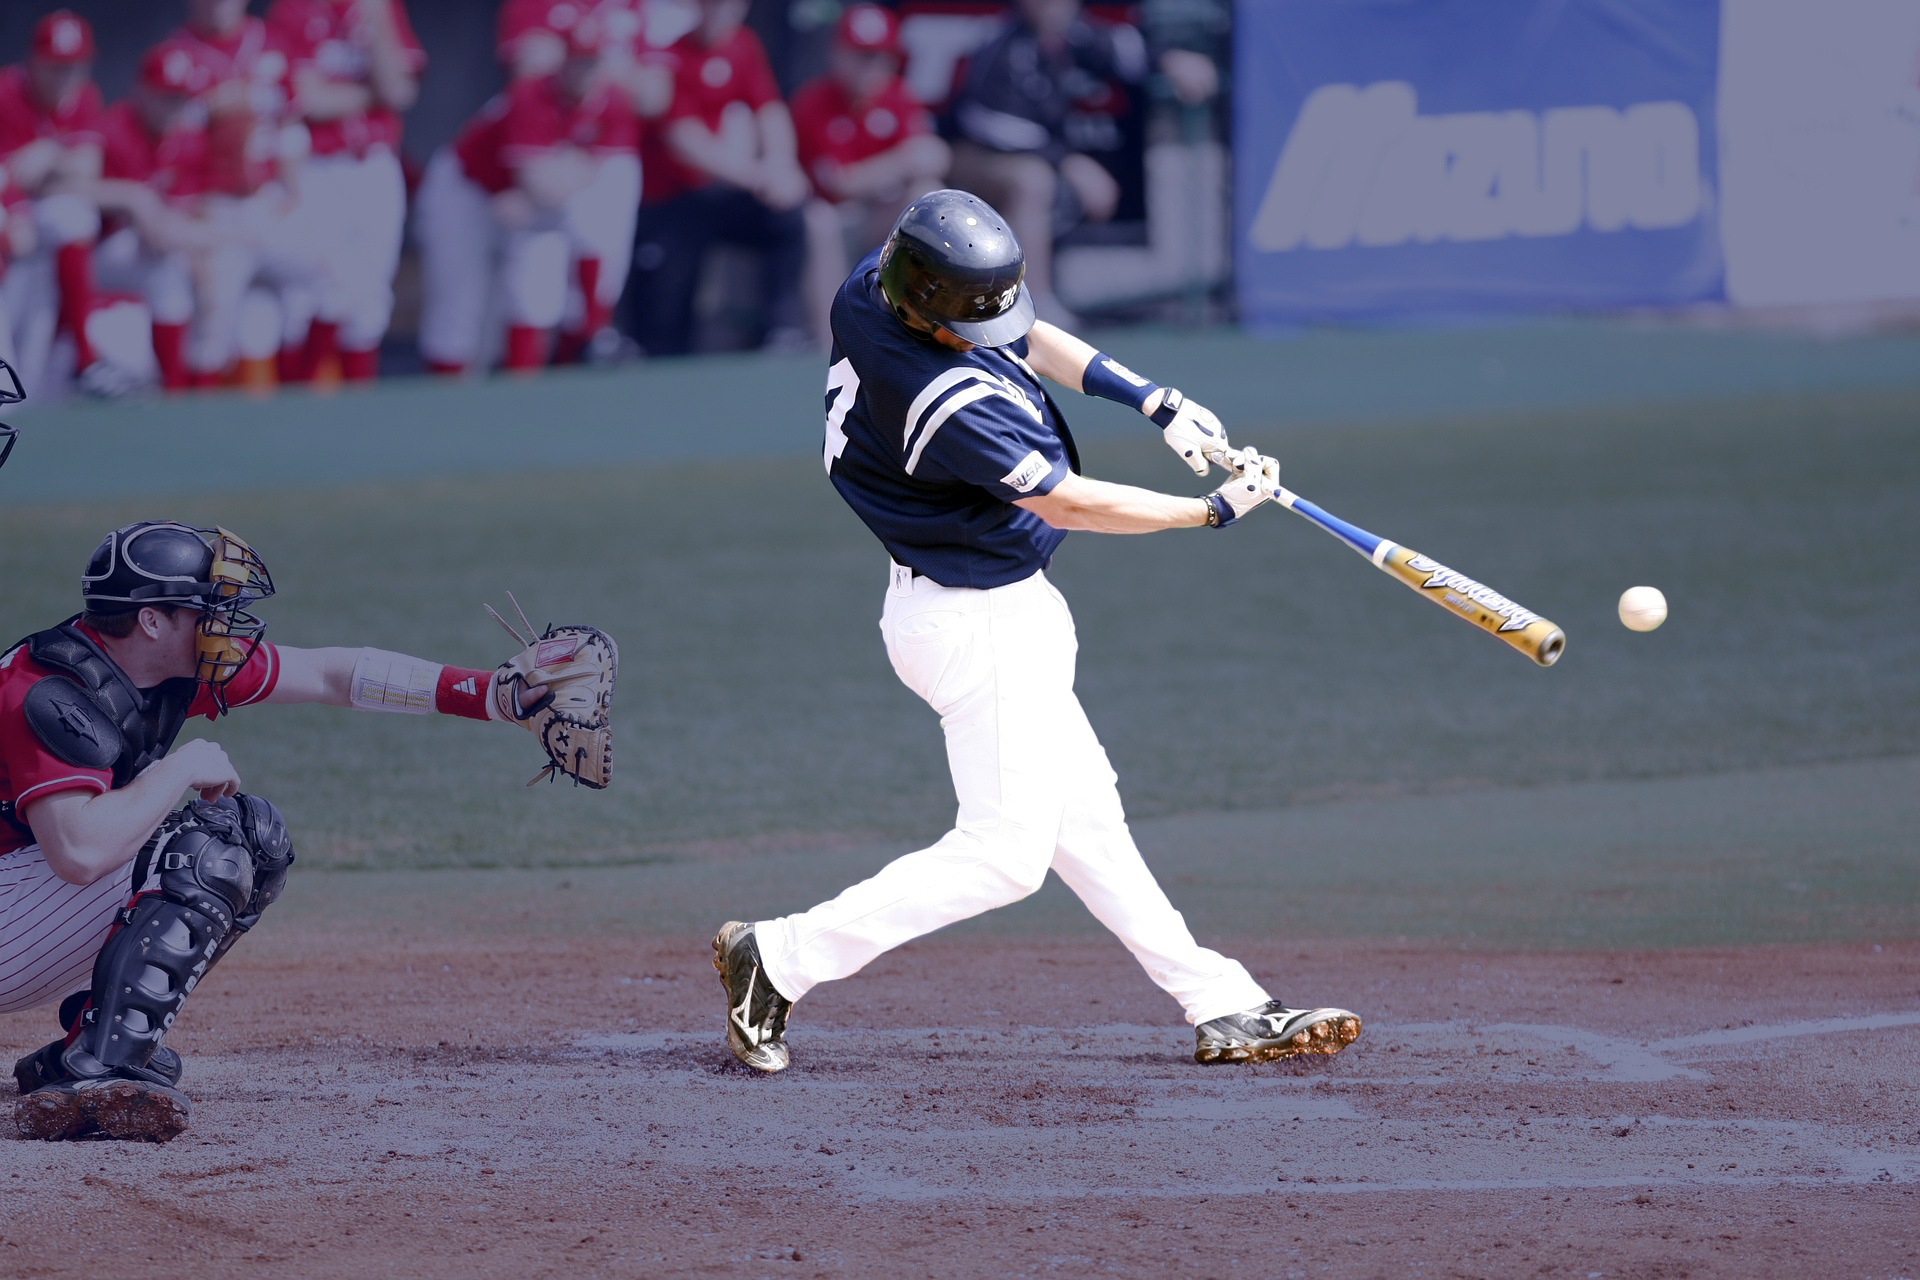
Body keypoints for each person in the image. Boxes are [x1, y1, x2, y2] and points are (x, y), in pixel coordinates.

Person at [711, 189, 1361, 1073]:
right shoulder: (943, 399)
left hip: (984, 608)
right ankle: (778, 957)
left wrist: (1153, 400)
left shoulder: (877, 286)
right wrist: (1208, 512)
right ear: (927, 309)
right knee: (1006, 856)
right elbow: (1068, 501)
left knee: (1089, 823)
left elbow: (1024, 333)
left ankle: (1224, 1003)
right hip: (975, 622)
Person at [3, 521, 616, 1142]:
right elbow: (77, 852)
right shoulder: (48, 692)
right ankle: (96, 1071)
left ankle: (94, 1040)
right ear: (152, 621)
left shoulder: (156, 666)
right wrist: (180, 767)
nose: (223, 624)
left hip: (18, 907)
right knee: (205, 851)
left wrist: (494, 695)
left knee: (253, 839)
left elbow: (332, 674)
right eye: (205, 610)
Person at [945, 0, 1217, 325]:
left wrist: (1173, 61)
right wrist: (1069, 162)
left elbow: (1126, 50)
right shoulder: (1001, 44)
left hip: (1039, 159)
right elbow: (992, 125)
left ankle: (1007, 289)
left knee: (1056, 187)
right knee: (1033, 181)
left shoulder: (1076, 36)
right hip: (971, 155)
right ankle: (1034, 304)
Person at [417, 19, 639, 374]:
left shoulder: (611, 100)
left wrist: (548, 186)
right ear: (563, 61)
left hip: (525, 203)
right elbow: (537, 182)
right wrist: (560, 178)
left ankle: (533, 395)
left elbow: (589, 174)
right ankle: (444, 407)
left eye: (593, 62)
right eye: (578, 61)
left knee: (536, 297)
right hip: (466, 190)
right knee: (458, 310)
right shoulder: (531, 93)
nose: (585, 71)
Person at [624, 0, 810, 356]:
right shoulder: (670, 53)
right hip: (669, 202)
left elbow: (768, 109)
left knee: (787, 214)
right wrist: (757, 176)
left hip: (720, 194)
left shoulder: (743, 44)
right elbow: (683, 139)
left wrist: (781, 164)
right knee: (664, 325)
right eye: (710, 5)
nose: (718, 13)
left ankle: (782, 330)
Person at [267, 0, 425, 383]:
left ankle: (357, 408)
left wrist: (377, 17)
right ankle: (296, 400)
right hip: (317, 166)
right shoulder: (292, 9)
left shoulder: (381, 7)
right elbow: (306, 100)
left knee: (371, 294)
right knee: (311, 291)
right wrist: (372, 95)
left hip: (375, 163)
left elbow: (400, 91)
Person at [790, 4, 948, 348]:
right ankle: (829, 338)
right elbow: (840, 184)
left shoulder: (897, 96)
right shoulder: (813, 103)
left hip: (878, 221)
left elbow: (935, 156)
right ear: (838, 54)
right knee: (820, 220)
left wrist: (897, 166)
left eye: (880, 57)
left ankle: (927, 323)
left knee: (927, 194)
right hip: (831, 230)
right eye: (862, 56)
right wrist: (902, 160)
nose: (873, 67)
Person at [0, 12, 119, 396]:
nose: (64, 76)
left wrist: (48, 151)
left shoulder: (82, 97)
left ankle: (85, 358)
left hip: (39, 227)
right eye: (55, 66)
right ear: (32, 60)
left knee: (72, 213)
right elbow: (9, 176)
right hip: (9, 223)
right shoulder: (6, 93)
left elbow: (86, 171)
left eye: (74, 66)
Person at [90, 46, 218, 393]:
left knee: (206, 277)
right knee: (165, 265)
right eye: (163, 96)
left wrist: (199, 257)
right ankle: (173, 389)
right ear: (141, 89)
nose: (172, 106)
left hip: (153, 256)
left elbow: (190, 212)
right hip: (97, 256)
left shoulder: (189, 138)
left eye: (179, 97)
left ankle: (187, 390)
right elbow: (79, 191)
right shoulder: (114, 128)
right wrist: (133, 202)